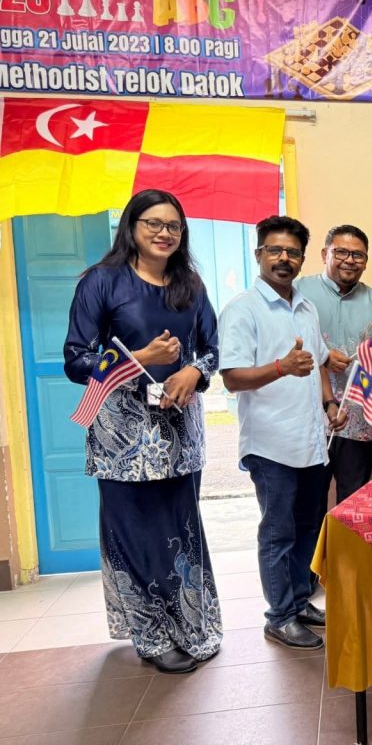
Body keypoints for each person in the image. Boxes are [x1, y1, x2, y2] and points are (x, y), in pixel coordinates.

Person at [63, 188, 222, 674]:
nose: (164, 233)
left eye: (173, 225)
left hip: (179, 433)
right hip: (122, 439)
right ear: (131, 226)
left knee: (180, 531)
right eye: (153, 223)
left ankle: (192, 626)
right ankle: (151, 637)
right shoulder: (101, 281)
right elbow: (75, 359)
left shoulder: (190, 284)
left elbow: (211, 350)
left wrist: (193, 371)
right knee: (134, 534)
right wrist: (137, 360)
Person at [219, 215, 346, 651]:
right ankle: (279, 616)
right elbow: (232, 378)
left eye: (292, 252)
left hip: (310, 440)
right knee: (278, 533)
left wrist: (329, 403)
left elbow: (318, 362)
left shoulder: (306, 307)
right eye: (274, 250)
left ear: (303, 258)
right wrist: (280, 367)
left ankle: (298, 602)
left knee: (308, 526)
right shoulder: (242, 309)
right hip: (270, 444)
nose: (283, 258)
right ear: (259, 254)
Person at [296, 224, 372, 507]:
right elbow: (281, 341)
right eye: (341, 252)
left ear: (366, 261)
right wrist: (323, 356)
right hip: (309, 418)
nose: (350, 260)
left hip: (357, 418)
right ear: (325, 254)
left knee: (353, 503)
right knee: (308, 505)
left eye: (358, 255)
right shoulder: (298, 292)